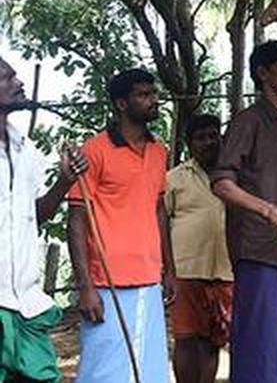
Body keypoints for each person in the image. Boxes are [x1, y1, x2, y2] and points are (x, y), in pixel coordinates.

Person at [211, 41, 277, 383]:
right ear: (262, 73)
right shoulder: (247, 122)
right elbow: (222, 183)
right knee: (266, 340)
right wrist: (270, 212)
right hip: (256, 247)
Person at [68, 68, 175, 382]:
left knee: (149, 369)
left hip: (149, 278)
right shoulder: (94, 151)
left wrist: (170, 270)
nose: (154, 100)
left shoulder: (159, 151)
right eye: (144, 94)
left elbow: (159, 212)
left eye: (153, 93)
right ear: (121, 104)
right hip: (106, 283)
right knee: (103, 372)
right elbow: (76, 218)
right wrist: (85, 286)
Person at [0, 56, 88, 382]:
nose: (19, 83)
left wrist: (65, 182)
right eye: (8, 78)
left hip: (26, 303)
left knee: (43, 376)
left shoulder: (27, 151)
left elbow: (35, 216)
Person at [166, 113, 233, 383]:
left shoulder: (234, 176)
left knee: (213, 339)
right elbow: (160, 220)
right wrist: (167, 270)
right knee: (185, 339)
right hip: (186, 269)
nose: (208, 142)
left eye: (213, 135)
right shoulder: (174, 179)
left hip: (226, 270)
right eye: (201, 138)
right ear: (189, 143)